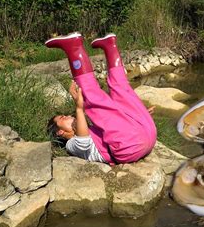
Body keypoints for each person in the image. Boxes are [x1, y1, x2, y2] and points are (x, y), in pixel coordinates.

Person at [46, 33, 157, 165]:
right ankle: (74, 47)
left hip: (145, 133)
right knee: (91, 94)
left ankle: (109, 45)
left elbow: (114, 124)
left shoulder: (93, 129)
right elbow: (84, 142)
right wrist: (79, 108)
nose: (68, 116)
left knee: (120, 87)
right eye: (62, 118)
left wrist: (134, 116)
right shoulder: (71, 144)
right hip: (130, 146)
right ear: (60, 132)